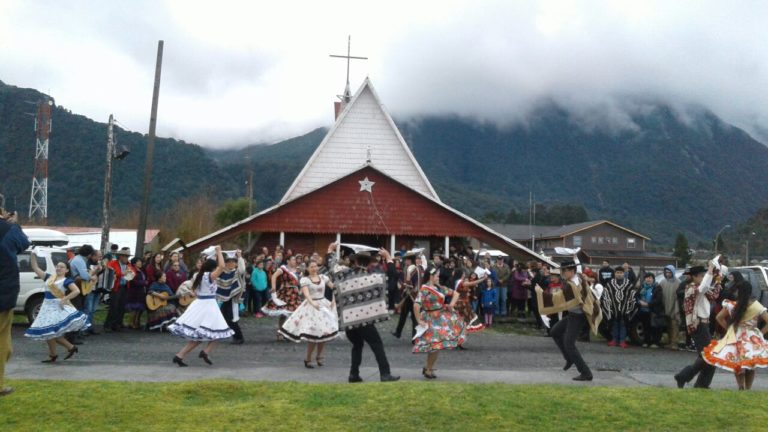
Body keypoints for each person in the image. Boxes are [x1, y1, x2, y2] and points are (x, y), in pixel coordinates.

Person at [328, 245, 399, 383]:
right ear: (369, 263)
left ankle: (354, 375)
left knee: (357, 345)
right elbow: (392, 276)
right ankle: (385, 374)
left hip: (349, 320)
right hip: (365, 320)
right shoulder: (373, 277)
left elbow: (330, 267)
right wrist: (388, 258)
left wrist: (330, 251)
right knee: (377, 344)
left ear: (355, 261)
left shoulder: (343, 275)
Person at [168, 246, 234, 366]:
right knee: (216, 331)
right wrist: (219, 252)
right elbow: (222, 267)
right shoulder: (209, 276)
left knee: (205, 334)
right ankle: (203, 352)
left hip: (200, 304)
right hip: (208, 306)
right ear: (212, 268)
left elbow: (193, 291)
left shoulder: (198, 275)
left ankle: (181, 355)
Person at [537, 260, 602, 381]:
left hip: (578, 316)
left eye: (563, 271)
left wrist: (541, 293)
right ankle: (569, 358)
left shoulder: (573, 284)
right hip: (573, 314)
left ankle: (586, 373)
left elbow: (558, 298)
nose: (562, 273)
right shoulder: (574, 280)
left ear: (571, 271)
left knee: (569, 344)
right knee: (555, 332)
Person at [24, 251, 89, 362]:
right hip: (46, 307)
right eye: (57, 266)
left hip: (57, 308)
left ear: (67, 270)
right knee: (49, 333)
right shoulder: (49, 278)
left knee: (51, 333)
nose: (58, 268)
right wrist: (33, 254)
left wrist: (64, 299)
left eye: (62, 267)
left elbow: (76, 291)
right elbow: (35, 267)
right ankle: (66, 349)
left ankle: (59, 352)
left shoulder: (67, 280)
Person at [703, 280, 768, 390]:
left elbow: (719, 317)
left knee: (737, 364)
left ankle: (740, 387)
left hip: (735, 336)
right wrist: (760, 333)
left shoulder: (731, 305)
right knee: (750, 365)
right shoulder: (757, 306)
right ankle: (748, 389)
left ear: (738, 292)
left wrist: (729, 329)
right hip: (752, 337)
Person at [279, 261, 339, 368]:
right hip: (312, 307)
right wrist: (313, 303)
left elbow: (334, 287)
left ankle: (319, 356)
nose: (314, 268)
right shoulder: (305, 280)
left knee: (324, 333)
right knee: (313, 335)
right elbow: (306, 294)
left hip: (323, 305)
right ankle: (308, 358)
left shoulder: (323, 277)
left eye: (315, 266)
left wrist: (333, 300)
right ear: (307, 268)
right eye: (311, 267)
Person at [674, 263, 721, 388]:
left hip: (704, 324)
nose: (703, 278)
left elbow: (714, 294)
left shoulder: (701, 289)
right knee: (708, 355)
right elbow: (705, 286)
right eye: (701, 276)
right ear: (694, 277)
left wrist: (717, 278)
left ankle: (700, 383)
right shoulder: (691, 288)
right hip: (698, 324)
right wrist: (710, 271)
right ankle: (685, 376)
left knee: (709, 356)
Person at [413, 267, 465, 379]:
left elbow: (456, 294)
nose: (438, 277)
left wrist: (451, 305)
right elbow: (416, 305)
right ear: (431, 276)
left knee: (436, 346)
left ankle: (428, 368)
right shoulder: (424, 290)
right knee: (435, 346)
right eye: (436, 275)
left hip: (440, 319)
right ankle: (428, 369)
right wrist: (418, 320)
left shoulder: (440, 288)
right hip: (430, 319)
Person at [0, 210, 29, 396]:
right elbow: (23, 243)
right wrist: (14, 223)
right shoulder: (8, 229)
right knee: (3, 343)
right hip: (3, 295)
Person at [262, 254, 301, 339]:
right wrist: (273, 287)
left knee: (295, 314)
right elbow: (274, 277)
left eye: (295, 260)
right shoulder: (283, 269)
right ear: (288, 261)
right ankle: (280, 332)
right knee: (283, 314)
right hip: (285, 292)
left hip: (294, 293)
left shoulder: (297, 270)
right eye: (293, 259)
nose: (295, 261)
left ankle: (289, 332)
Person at [601, 266, 637, 348]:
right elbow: (606, 295)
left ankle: (622, 341)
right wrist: (608, 307)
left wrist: (629, 308)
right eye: (617, 273)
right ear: (614, 274)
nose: (619, 274)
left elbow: (632, 296)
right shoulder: (610, 284)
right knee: (614, 324)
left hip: (625, 309)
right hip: (613, 309)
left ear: (624, 274)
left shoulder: (628, 284)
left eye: (621, 273)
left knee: (623, 325)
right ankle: (614, 340)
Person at [216, 251, 246, 345]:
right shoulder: (222, 273)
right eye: (228, 262)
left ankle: (239, 337)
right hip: (225, 299)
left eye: (233, 262)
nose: (231, 263)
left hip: (233, 299)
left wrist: (240, 257)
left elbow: (242, 269)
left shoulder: (236, 272)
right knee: (225, 318)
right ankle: (235, 336)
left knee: (232, 319)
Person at [392, 253, 423, 339]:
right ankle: (398, 332)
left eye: (406, 259)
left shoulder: (414, 269)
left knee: (414, 317)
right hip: (407, 295)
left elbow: (416, 284)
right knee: (403, 315)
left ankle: (414, 337)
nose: (405, 261)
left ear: (410, 260)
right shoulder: (408, 269)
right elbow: (402, 280)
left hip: (413, 296)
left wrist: (407, 286)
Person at [103, 247, 132, 332]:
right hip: (115, 288)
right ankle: (108, 325)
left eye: (127, 257)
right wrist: (122, 273)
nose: (127, 258)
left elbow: (132, 272)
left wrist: (131, 273)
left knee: (121, 307)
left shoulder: (128, 264)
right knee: (113, 307)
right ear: (120, 256)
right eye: (125, 256)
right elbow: (111, 273)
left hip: (124, 287)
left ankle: (117, 324)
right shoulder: (113, 263)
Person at [636, 273, 664, 348]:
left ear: (653, 279)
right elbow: (637, 296)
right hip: (643, 310)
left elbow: (658, 299)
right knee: (645, 327)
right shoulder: (642, 287)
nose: (648, 279)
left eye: (650, 278)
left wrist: (648, 304)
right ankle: (646, 341)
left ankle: (655, 342)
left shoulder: (657, 287)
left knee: (655, 327)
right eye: (646, 278)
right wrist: (639, 302)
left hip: (653, 310)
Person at [658, 265, 680, 349]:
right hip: (665, 306)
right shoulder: (662, 282)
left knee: (675, 325)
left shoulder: (678, 282)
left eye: (669, 272)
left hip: (674, 306)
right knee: (668, 326)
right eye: (666, 272)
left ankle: (675, 343)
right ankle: (670, 341)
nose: (668, 274)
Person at [123, 257, 147, 330]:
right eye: (138, 262)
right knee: (133, 308)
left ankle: (136, 322)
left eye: (140, 261)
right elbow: (133, 281)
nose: (140, 263)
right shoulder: (132, 270)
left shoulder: (141, 271)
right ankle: (131, 323)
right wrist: (144, 282)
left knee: (138, 309)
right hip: (134, 291)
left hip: (140, 292)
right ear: (134, 263)